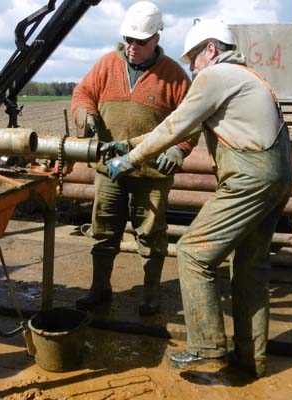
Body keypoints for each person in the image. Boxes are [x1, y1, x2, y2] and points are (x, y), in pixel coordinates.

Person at [102, 20, 292, 377]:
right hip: (278, 175)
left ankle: (207, 348)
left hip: (250, 178)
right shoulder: (248, 77)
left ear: (211, 48)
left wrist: (129, 159)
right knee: (251, 268)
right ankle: (252, 359)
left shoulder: (216, 76)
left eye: (193, 57)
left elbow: (175, 125)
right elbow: (182, 124)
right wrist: (128, 144)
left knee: (192, 251)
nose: (191, 67)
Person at [71, 1, 199, 316]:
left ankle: (151, 295)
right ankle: (99, 288)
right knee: (103, 230)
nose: (132, 47)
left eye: (140, 41)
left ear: (157, 37)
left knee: (151, 234)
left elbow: (192, 119)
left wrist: (177, 149)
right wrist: (85, 113)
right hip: (109, 169)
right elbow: (82, 93)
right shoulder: (106, 65)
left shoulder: (174, 75)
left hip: (151, 172)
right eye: (128, 39)